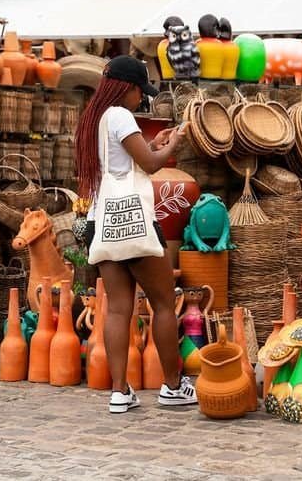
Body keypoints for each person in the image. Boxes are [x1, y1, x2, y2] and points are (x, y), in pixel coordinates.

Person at [75, 55, 197, 413]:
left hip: (102, 221)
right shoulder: (120, 115)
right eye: (139, 92)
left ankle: (119, 391)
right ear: (126, 88)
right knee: (162, 303)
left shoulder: (92, 118)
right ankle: (173, 386)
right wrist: (174, 142)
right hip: (133, 221)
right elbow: (151, 165)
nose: (140, 99)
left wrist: (153, 142)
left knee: (117, 309)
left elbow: (124, 162)